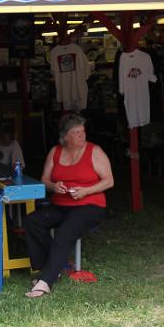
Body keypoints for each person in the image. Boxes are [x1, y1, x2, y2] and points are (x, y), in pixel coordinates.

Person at [23, 114, 113, 298]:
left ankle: (46, 281)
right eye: (76, 133)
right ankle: (46, 268)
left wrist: (86, 191)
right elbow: (45, 180)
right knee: (33, 221)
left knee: (65, 232)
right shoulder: (55, 152)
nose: (82, 135)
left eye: (83, 131)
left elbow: (109, 181)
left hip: (90, 205)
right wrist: (54, 186)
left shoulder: (95, 151)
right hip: (61, 204)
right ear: (65, 136)